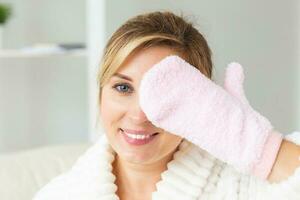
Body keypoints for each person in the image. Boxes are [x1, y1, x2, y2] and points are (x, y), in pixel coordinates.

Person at [34, 11, 300, 200]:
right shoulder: (60, 194)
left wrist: (257, 147)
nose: (139, 115)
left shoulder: (244, 186)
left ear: (203, 100)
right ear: (101, 93)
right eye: (123, 88)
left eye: (165, 96)